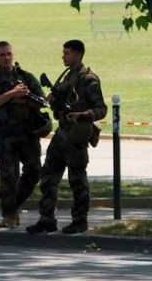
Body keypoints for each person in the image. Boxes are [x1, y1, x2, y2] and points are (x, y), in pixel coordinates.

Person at [26, 39, 107, 235]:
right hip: (62, 132)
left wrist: (82, 115)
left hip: (76, 134)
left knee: (77, 179)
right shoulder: (68, 76)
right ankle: (47, 218)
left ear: (78, 56)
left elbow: (101, 109)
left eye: (67, 53)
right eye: (64, 53)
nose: (64, 56)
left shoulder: (89, 79)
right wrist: (53, 102)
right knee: (48, 175)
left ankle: (80, 220)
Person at [0, 41, 47, 229]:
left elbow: (43, 101)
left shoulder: (26, 77)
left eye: (8, 54)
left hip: (27, 131)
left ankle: (15, 205)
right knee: (7, 177)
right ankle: (9, 214)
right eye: (2, 55)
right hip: (5, 132)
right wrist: (12, 95)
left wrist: (25, 101)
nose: (6, 58)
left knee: (33, 171)